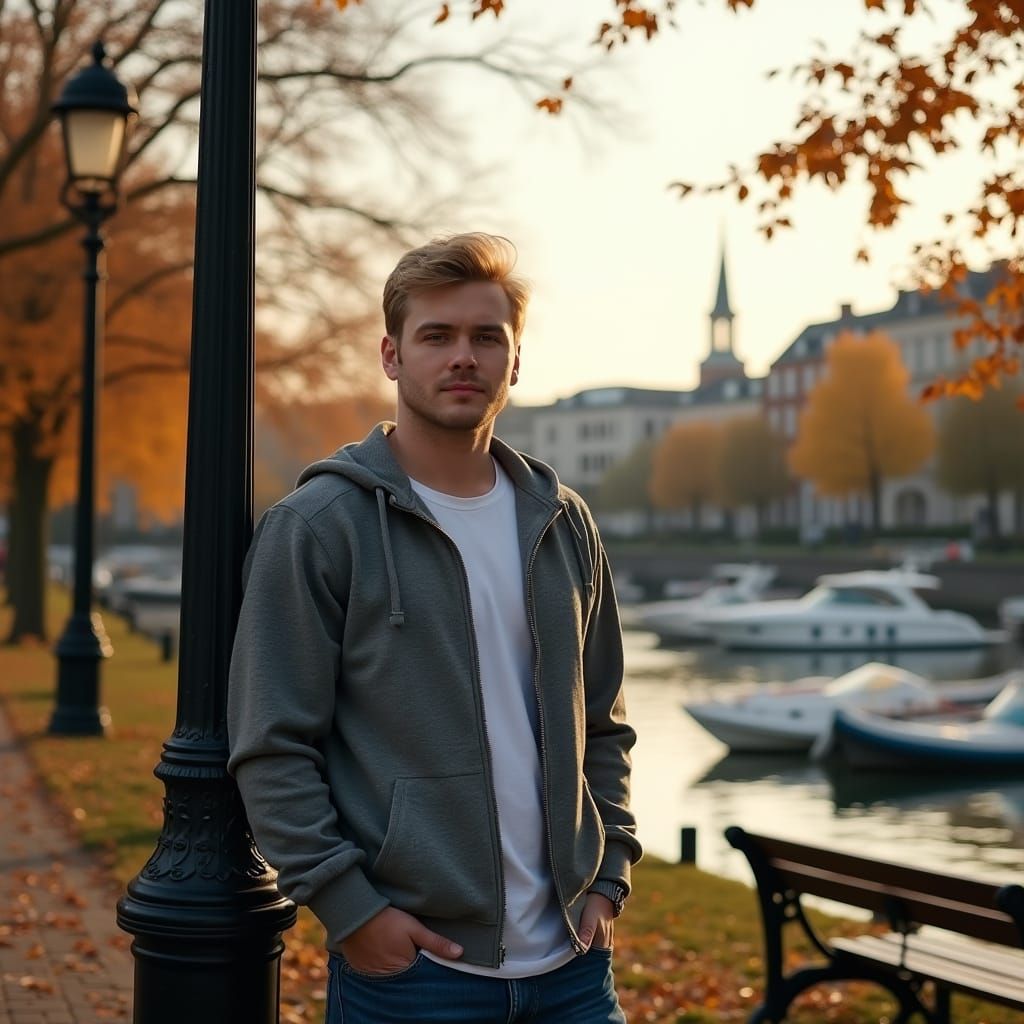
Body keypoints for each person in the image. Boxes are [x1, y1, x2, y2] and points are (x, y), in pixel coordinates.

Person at [227, 232, 641, 1023]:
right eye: (437, 337)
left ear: (514, 362)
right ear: (391, 355)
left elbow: (604, 724)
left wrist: (609, 875)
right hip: (415, 977)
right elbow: (270, 744)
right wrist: (353, 911)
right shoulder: (321, 526)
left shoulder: (565, 523)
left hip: (574, 972)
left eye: (487, 338)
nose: (464, 357)